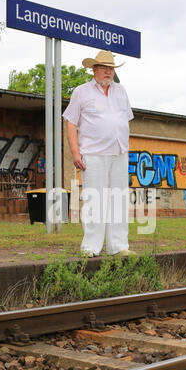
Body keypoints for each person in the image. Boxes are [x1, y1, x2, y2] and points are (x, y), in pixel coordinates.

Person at [62, 50, 136, 258]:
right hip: (93, 154)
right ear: (93, 69)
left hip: (119, 153)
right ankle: (90, 246)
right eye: (103, 68)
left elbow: (123, 122)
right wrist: (75, 152)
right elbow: (71, 122)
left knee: (119, 199)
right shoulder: (81, 92)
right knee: (95, 198)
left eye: (111, 68)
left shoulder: (121, 91)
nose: (108, 72)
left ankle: (119, 246)